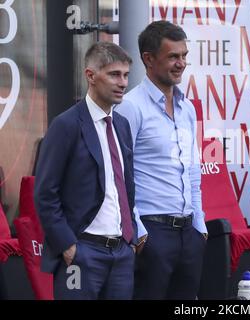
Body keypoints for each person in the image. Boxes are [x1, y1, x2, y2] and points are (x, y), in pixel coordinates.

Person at [34, 42, 146, 299]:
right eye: (114, 74)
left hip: (120, 253)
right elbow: (45, 193)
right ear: (91, 76)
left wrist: (131, 238)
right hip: (82, 252)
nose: (123, 83)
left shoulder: (122, 124)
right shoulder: (66, 125)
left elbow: (126, 186)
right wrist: (68, 245)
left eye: (126, 75)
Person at [116, 20, 207, 300]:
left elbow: (192, 169)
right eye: (173, 56)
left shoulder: (187, 107)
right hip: (151, 232)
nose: (181, 63)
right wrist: (139, 232)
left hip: (188, 233)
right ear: (148, 59)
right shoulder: (130, 107)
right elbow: (120, 174)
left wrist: (199, 225)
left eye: (184, 56)